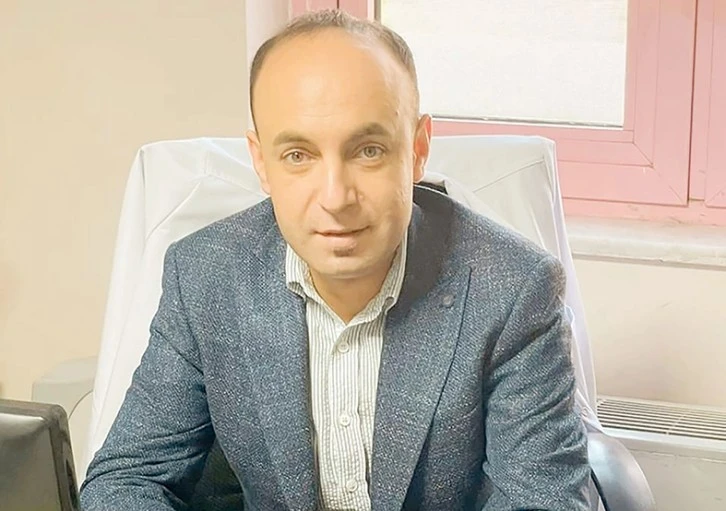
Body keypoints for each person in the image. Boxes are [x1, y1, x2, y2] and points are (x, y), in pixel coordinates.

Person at [80, 9, 590, 511]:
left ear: (417, 149)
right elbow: (126, 478)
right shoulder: (205, 276)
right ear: (261, 162)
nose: (335, 197)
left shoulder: (514, 289)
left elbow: (542, 500)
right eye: (298, 155)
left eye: (368, 150)